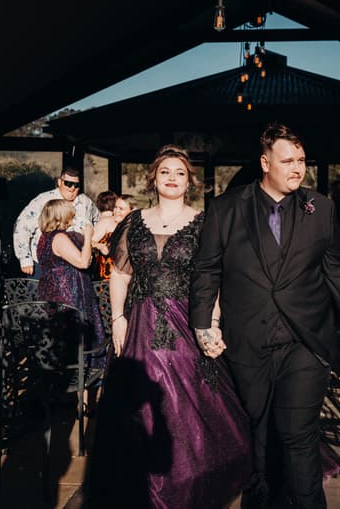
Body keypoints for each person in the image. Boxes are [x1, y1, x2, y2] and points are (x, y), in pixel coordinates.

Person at [190, 123, 340, 509]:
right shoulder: (225, 208)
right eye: (288, 161)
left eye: (301, 160)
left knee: (296, 433)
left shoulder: (320, 208)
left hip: (306, 341)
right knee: (257, 431)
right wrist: (203, 324)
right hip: (247, 340)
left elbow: (337, 271)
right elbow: (207, 270)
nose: (297, 168)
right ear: (265, 162)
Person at [96, 145, 252, 508]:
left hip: (187, 323)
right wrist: (117, 318)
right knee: (140, 404)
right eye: (165, 171)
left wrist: (212, 323)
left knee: (187, 406)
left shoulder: (205, 222)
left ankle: (186, 483)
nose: (172, 178)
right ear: (153, 178)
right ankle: (147, 490)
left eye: (179, 173)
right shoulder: (133, 222)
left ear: (189, 181)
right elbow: (120, 274)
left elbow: (214, 279)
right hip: (140, 324)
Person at [36, 199, 107, 370]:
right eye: (70, 216)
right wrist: (88, 236)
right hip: (68, 291)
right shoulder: (59, 237)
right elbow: (83, 262)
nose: (73, 219)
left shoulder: (44, 237)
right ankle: (82, 374)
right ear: (60, 217)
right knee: (76, 334)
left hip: (53, 289)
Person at [13, 167, 98, 278]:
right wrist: (25, 258)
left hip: (79, 266)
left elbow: (97, 221)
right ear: (59, 182)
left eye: (76, 185)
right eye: (68, 183)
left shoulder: (86, 202)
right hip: (46, 268)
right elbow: (22, 226)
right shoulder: (43, 200)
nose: (72, 188)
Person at [92, 190, 117, 281]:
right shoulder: (118, 220)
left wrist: (100, 246)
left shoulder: (104, 221)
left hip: (107, 271)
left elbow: (89, 242)